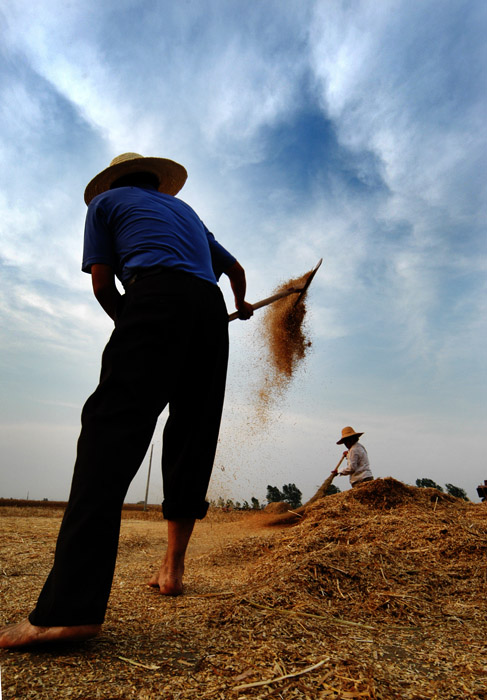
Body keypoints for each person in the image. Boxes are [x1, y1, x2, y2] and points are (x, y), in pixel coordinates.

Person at [0, 152, 253, 648]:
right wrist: (239, 305)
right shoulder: (189, 215)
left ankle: (69, 611)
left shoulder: (106, 203)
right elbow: (235, 270)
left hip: (152, 296)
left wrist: (137, 324)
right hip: (209, 311)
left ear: (114, 182)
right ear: (157, 182)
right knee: (192, 435)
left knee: (108, 440)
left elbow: (101, 283)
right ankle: (172, 570)